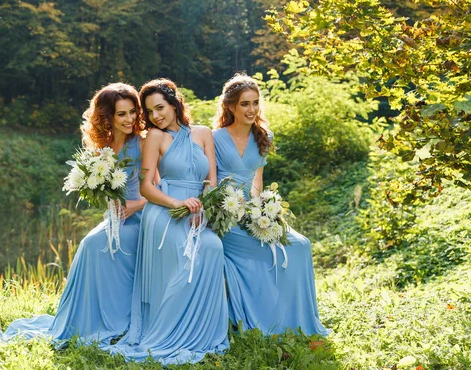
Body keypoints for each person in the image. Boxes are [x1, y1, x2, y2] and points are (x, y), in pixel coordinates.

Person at [1, 83, 147, 348]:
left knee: (96, 244)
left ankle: (119, 319)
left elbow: (160, 187)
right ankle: (86, 318)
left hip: (142, 215)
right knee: (89, 244)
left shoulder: (144, 142)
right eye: (121, 114)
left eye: (132, 112)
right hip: (116, 218)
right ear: (108, 117)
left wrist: (135, 206)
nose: (129, 119)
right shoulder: (101, 147)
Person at [105, 79, 229, 365]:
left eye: (159, 108)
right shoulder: (154, 138)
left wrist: (204, 210)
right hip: (164, 211)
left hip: (197, 211)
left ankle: (201, 330)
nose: (155, 116)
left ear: (174, 104)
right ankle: (168, 330)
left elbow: (211, 181)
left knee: (212, 247)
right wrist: (178, 205)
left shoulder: (203, 134)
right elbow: (147, 187)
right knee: (187, 255)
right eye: (149, 111)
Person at [213, 74, 329, 336]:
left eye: (255, 102)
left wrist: (261, 212)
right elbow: (208, 181)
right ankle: (263, 316)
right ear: (230, 106)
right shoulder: (214, 138)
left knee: (300, 245)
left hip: (251, 214)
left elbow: (257, 181)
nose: (251, 109)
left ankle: (295, 317)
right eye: (244, 104)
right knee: (264, 253)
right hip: (225, 217)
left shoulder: (264, 136)